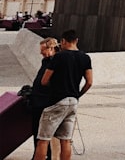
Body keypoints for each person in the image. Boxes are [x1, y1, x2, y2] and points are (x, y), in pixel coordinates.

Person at [33, 30, 93, 160]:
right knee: (66, 140)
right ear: (76, 40)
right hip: (73, 102)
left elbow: (44, 81)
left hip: (57, 101)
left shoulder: (58, 57)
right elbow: (89, 82)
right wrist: (77, 95)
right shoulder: (85, 57)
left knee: (43, 139)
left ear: (64, 41)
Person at [28, 37, 58, 160]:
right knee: (36, 131)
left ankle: (47, 156)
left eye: (43, 50)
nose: (41, 53)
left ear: (51, 48)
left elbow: (47, 81)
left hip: (44, 101)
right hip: (37, 101)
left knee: (44, 134)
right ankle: (38, 155)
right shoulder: (46, 61)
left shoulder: (55, 61)